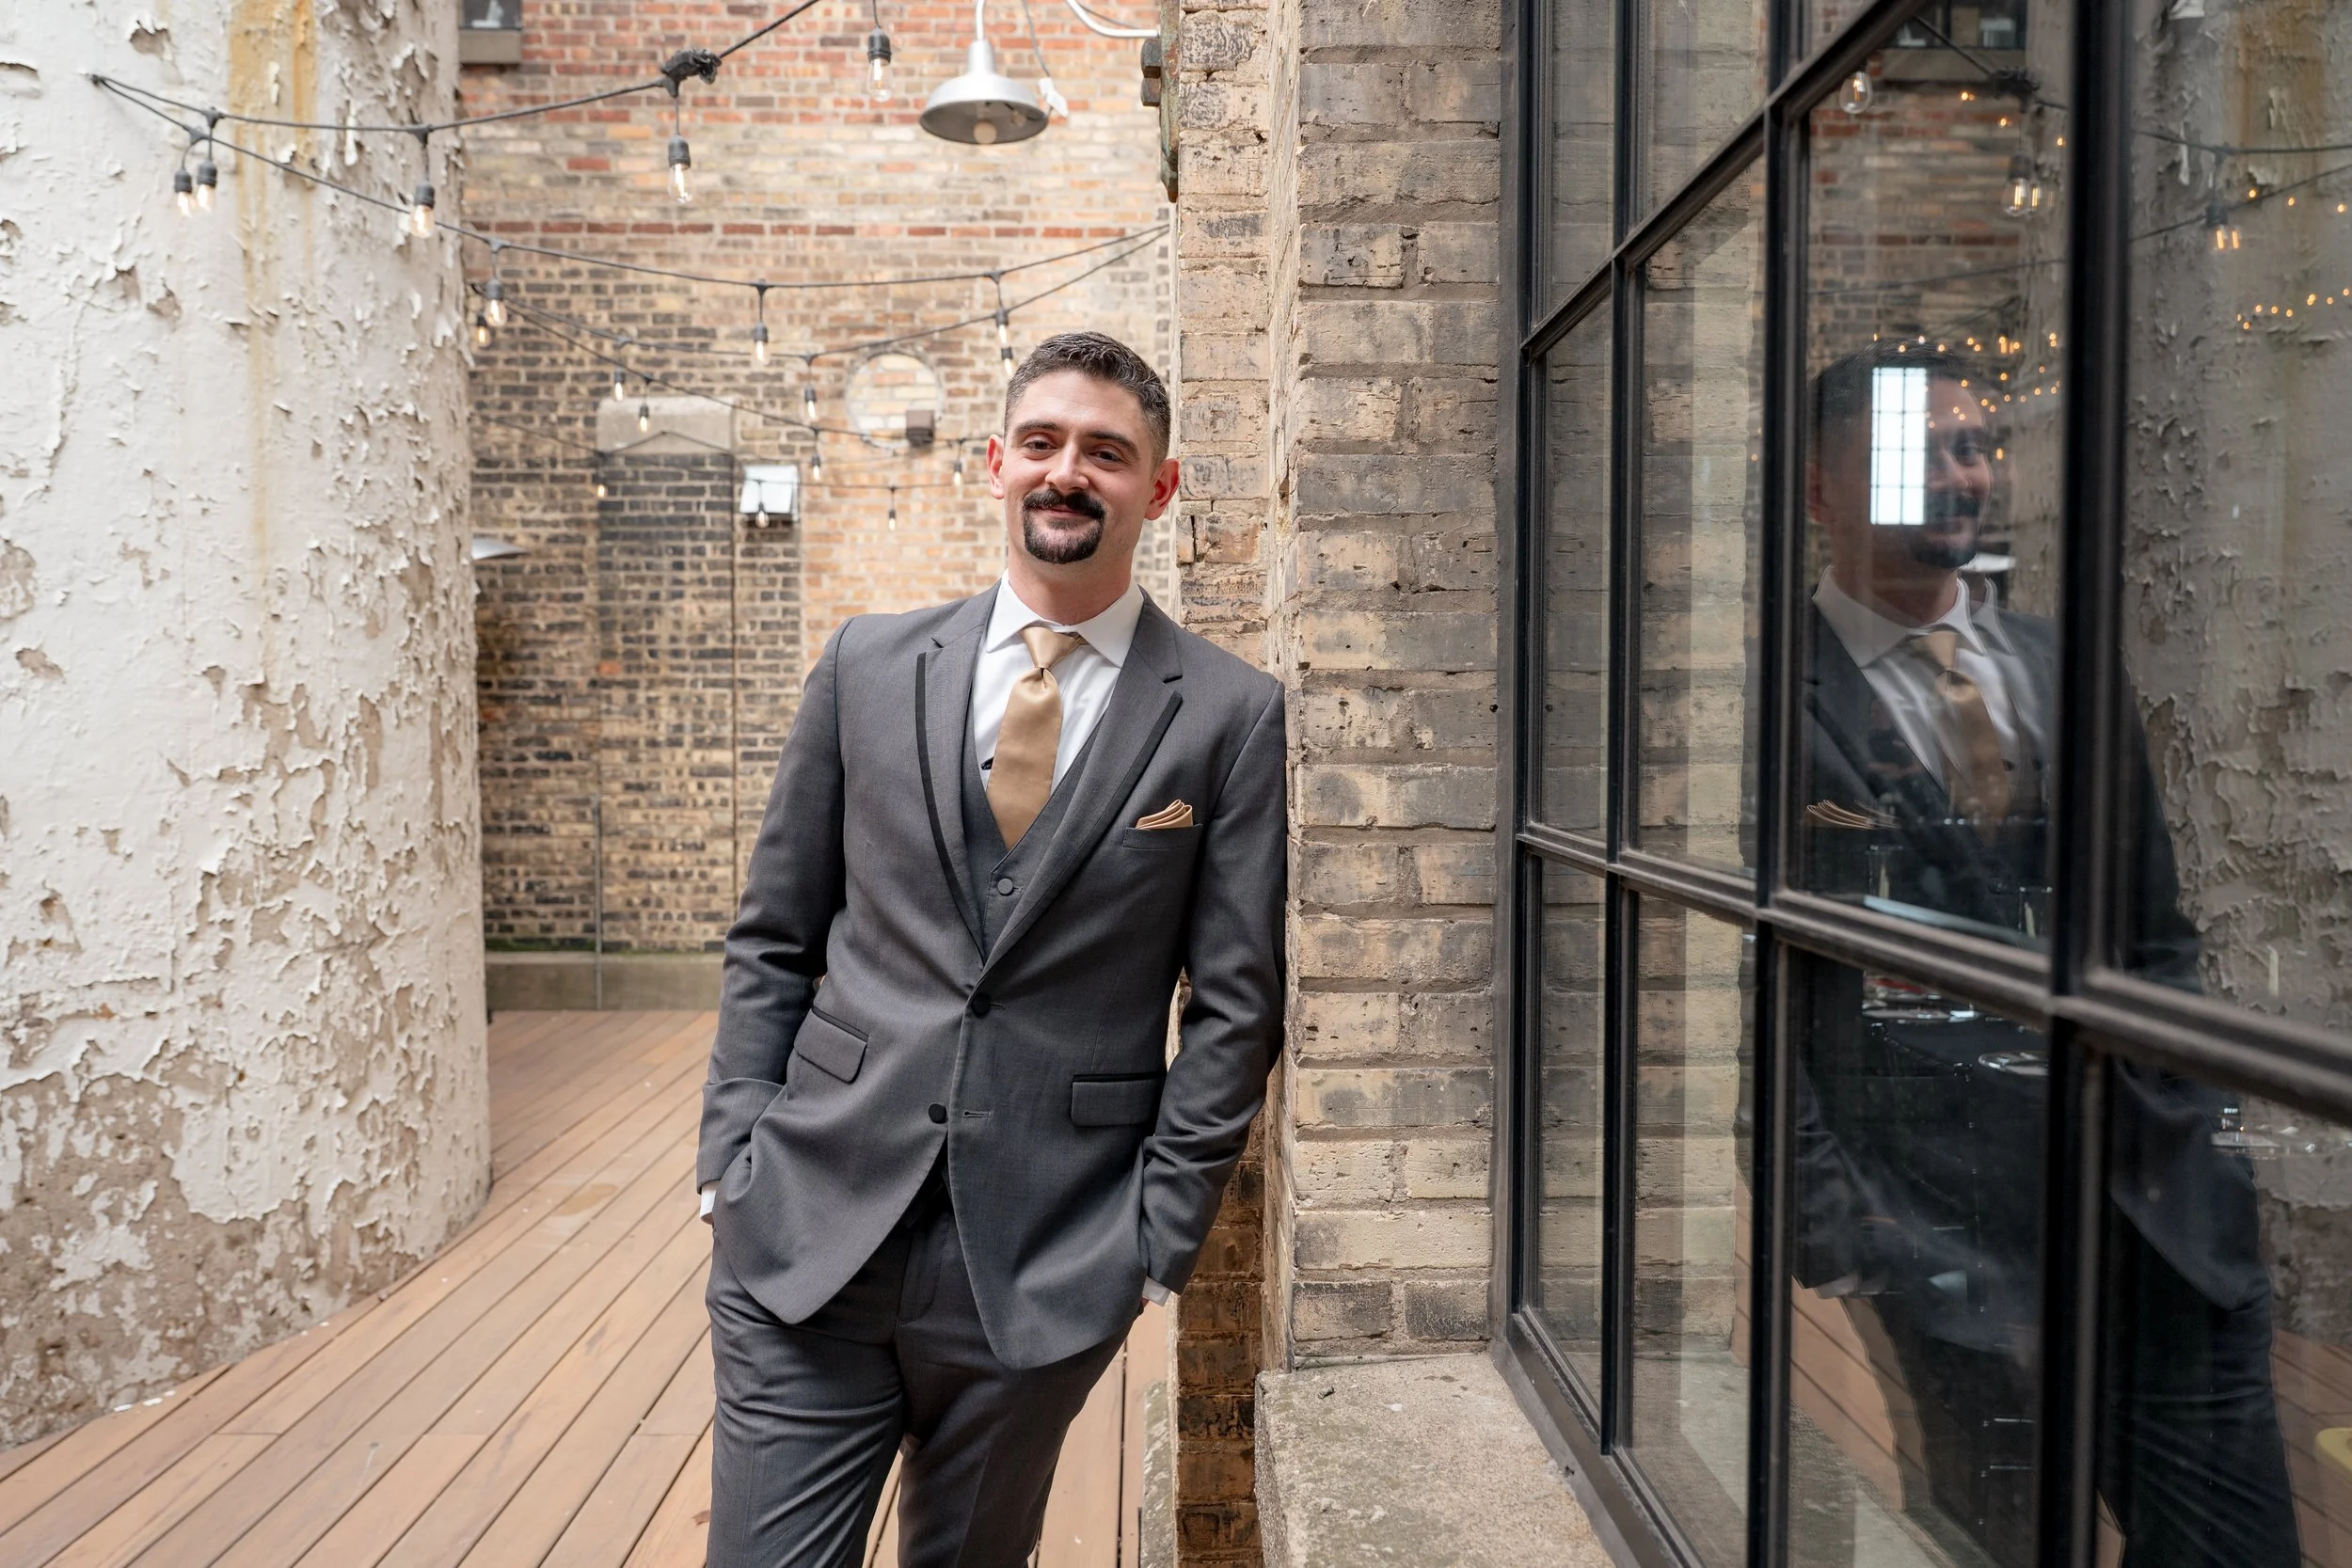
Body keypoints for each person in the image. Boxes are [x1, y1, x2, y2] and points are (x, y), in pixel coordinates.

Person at [692, 332, 1285, 1565]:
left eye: (1107, 453)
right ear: (996, 464)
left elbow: (1234, 1005)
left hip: (1045, 1260)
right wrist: (728, 1156)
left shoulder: (1229, 717)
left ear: (1158, 489)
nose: (1068, 472)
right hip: (807, 1227)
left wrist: (1152, 1238)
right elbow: (774, 936)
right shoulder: (866, 663)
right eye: (1043, 443)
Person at [1790, 345, 2297, 1566]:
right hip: (1948, 1242)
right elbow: (1779, 1003)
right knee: (2007, 1540)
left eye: (1977, 446)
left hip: (2161, 1224)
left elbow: (2155, 936)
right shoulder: (1774, 698)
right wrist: (1859, 1236)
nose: (1965, 474)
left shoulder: (2063, 666)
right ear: (1822, 491)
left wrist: (2202, 1147)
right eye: (1926, 452)